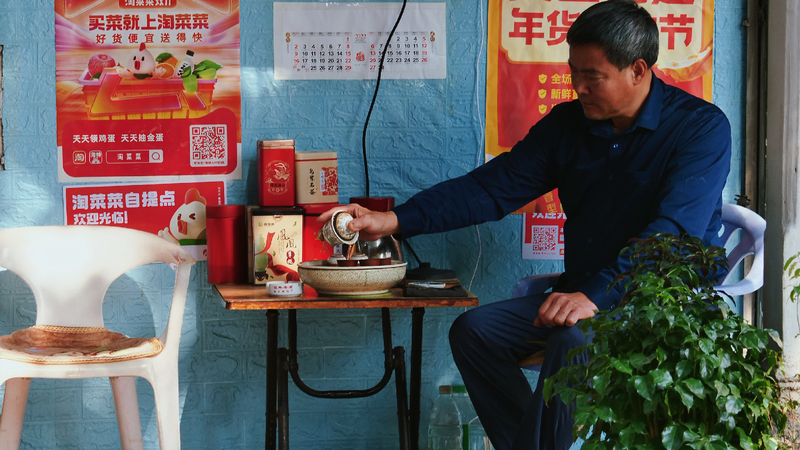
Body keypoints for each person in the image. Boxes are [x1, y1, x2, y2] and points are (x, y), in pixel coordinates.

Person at [318, 0, 731, 448]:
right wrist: (394, 220)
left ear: (637, 70)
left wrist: (594, 297)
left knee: (571, 338)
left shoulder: (700, 129)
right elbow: (493, 187)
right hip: (581, 291)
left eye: (592, 76)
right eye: (574, 72)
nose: (578, 87)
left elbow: (671, 235)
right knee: (475, 332)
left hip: (659, 303)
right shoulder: (568, 125)